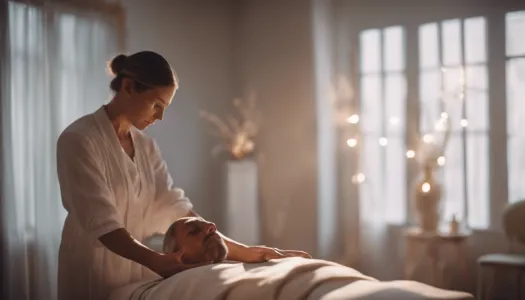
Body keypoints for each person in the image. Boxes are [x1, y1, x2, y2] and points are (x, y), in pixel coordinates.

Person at [56, 50, 311, 300]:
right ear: (128, 86)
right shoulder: (79, 139)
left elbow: (175, 207)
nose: (160, 116)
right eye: (156, 104)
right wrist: (157, 261)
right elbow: (102, 221)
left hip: (139, 276)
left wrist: (246, 252)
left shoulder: (146, 147)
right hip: (94, 272)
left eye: (164, 107)